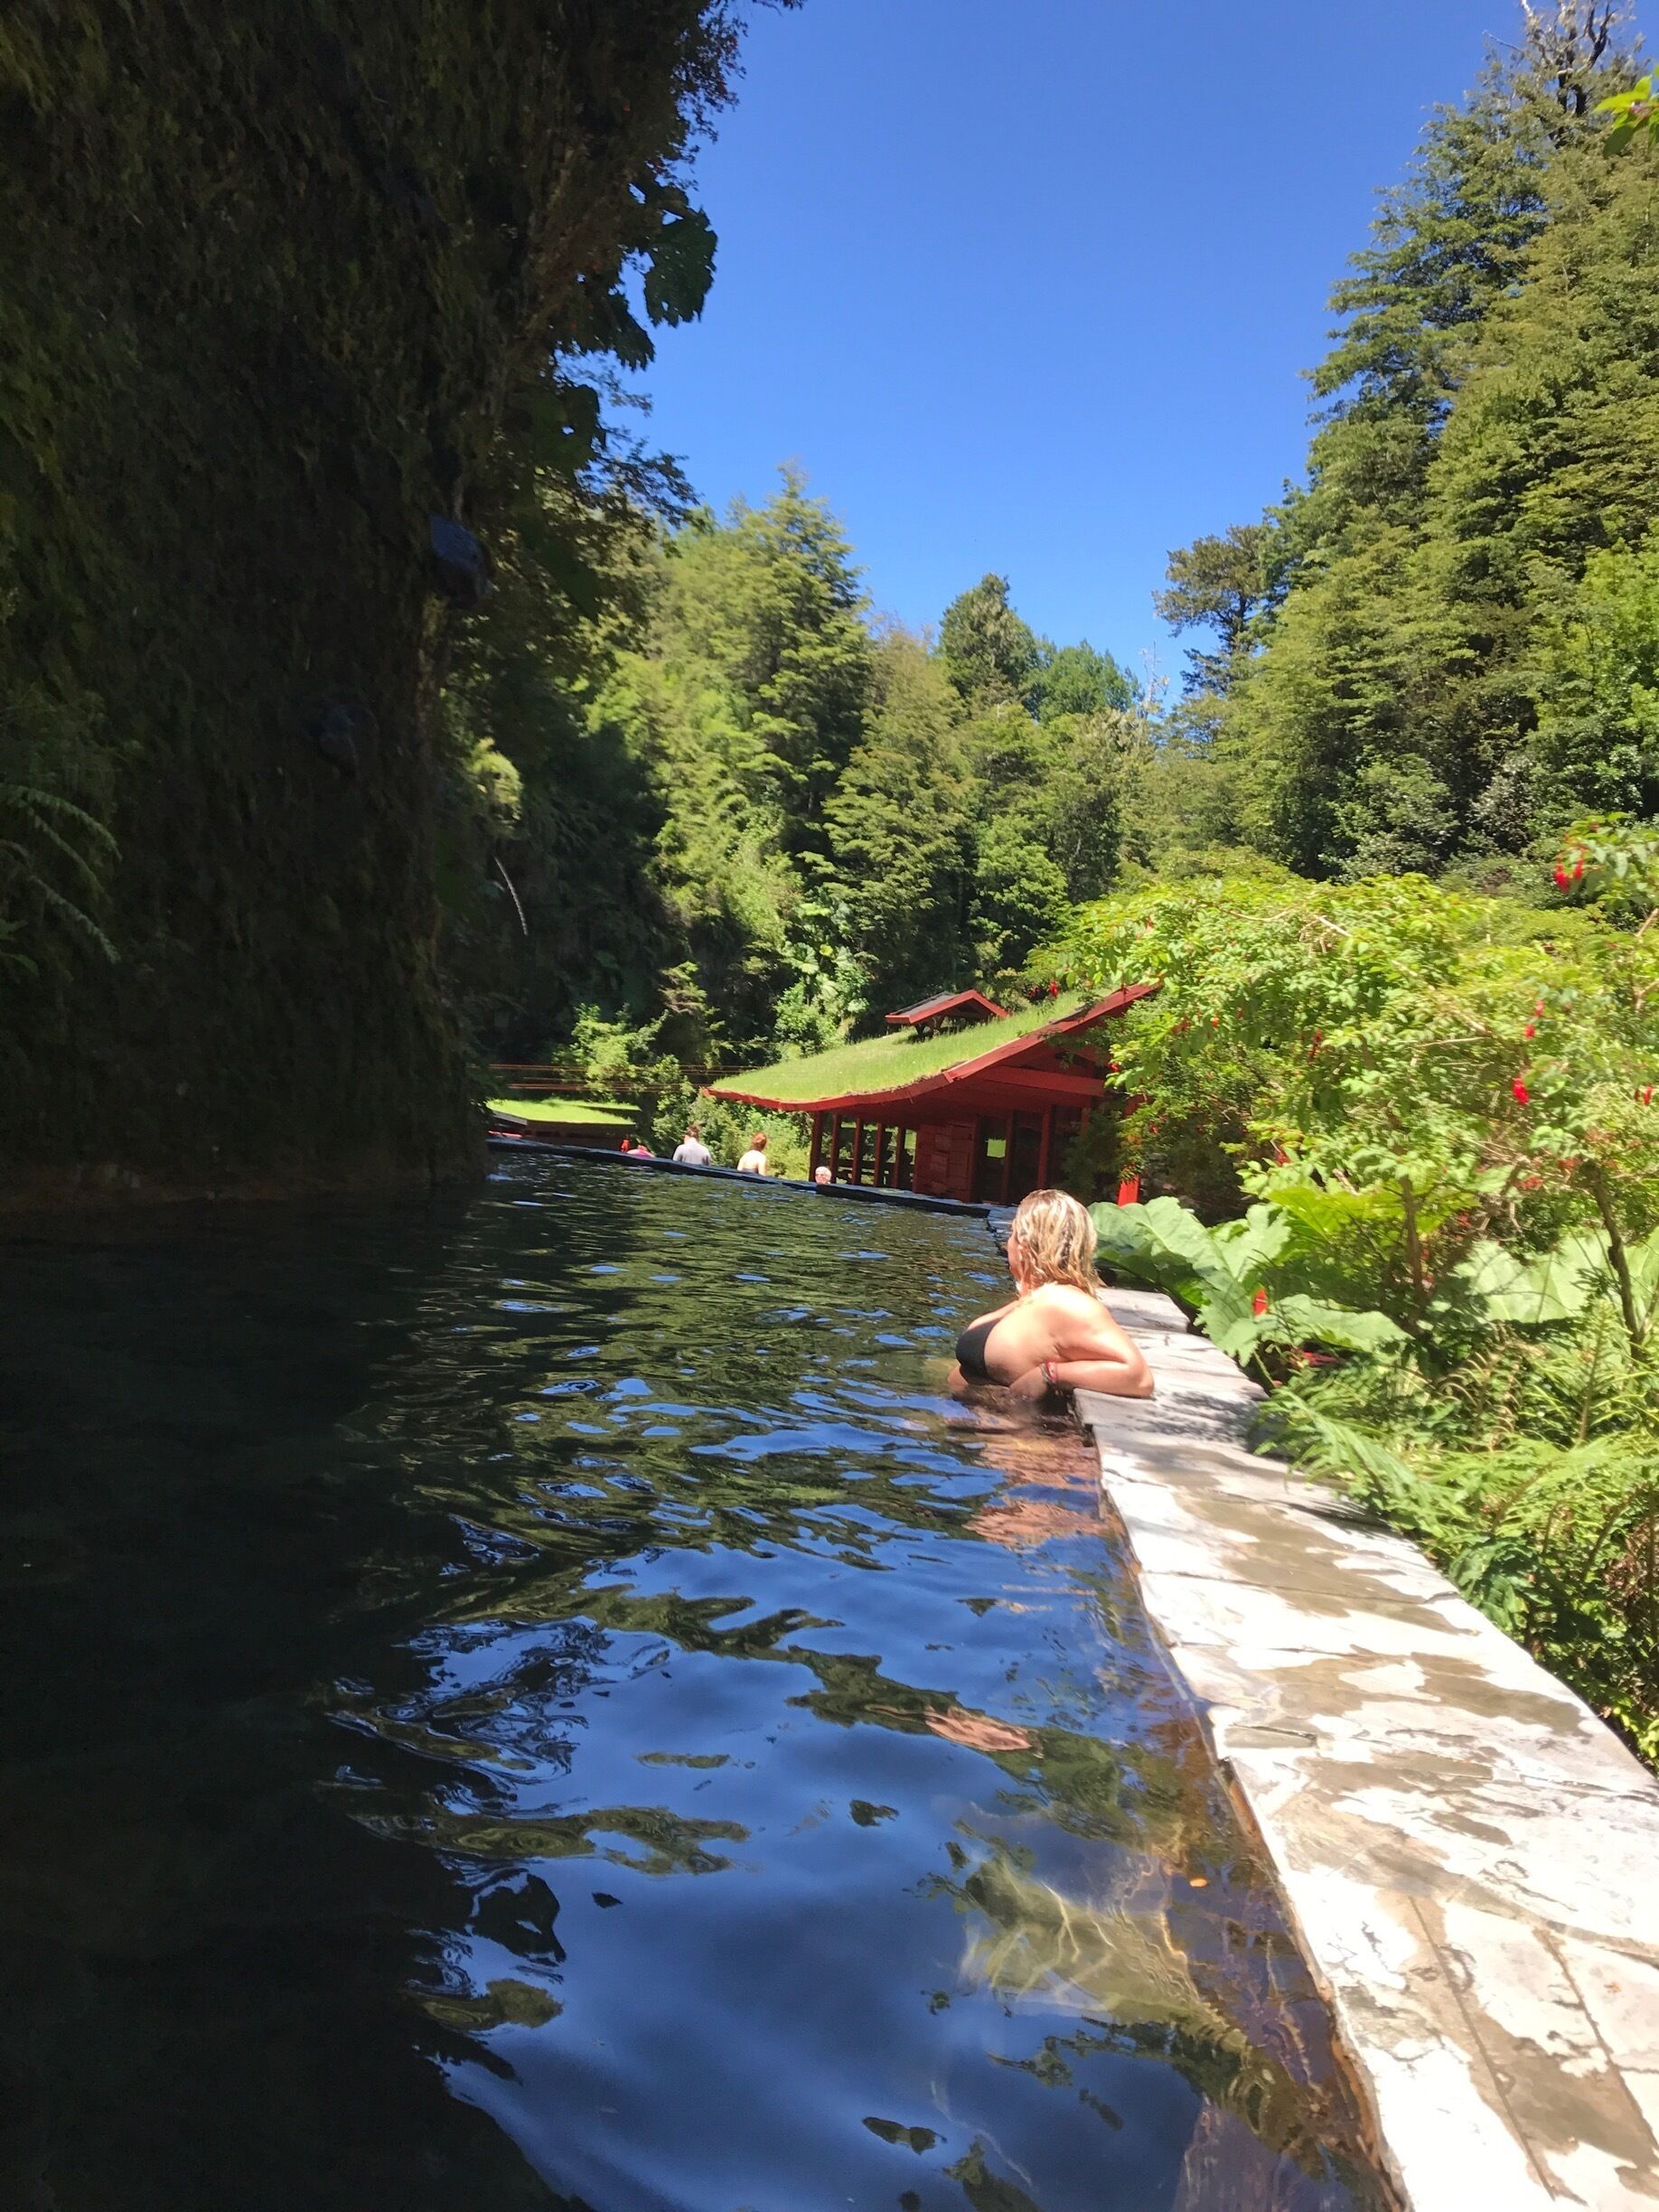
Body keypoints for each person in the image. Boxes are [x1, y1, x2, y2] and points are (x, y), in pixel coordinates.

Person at [951, 1187, 1152, 1401]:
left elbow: (1138, 1376)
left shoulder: (1069, 1304)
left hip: (1011, 1431)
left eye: (1012, 1233)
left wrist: (1048, 1374)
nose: (1007, 1243)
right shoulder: (1040, 1298)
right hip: (974, 1422)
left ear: (1024, 1244)